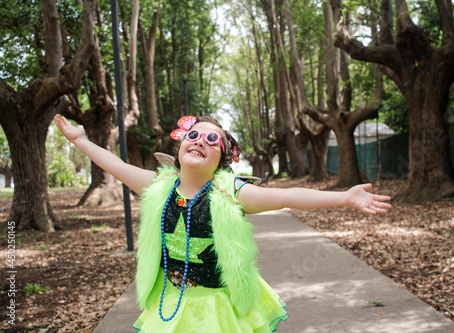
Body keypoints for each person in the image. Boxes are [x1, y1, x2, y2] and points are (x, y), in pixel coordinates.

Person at [54, 114, 391, 332]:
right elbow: (114, 165)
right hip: (170, 301)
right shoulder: (158, 187)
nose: (201, 140)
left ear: (222, 158)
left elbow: (289, 196)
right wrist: (79, 140)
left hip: (217, 307)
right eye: (195, 134)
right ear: (181, 144)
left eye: (212, 139)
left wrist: (345, 197)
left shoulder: (232, 194)